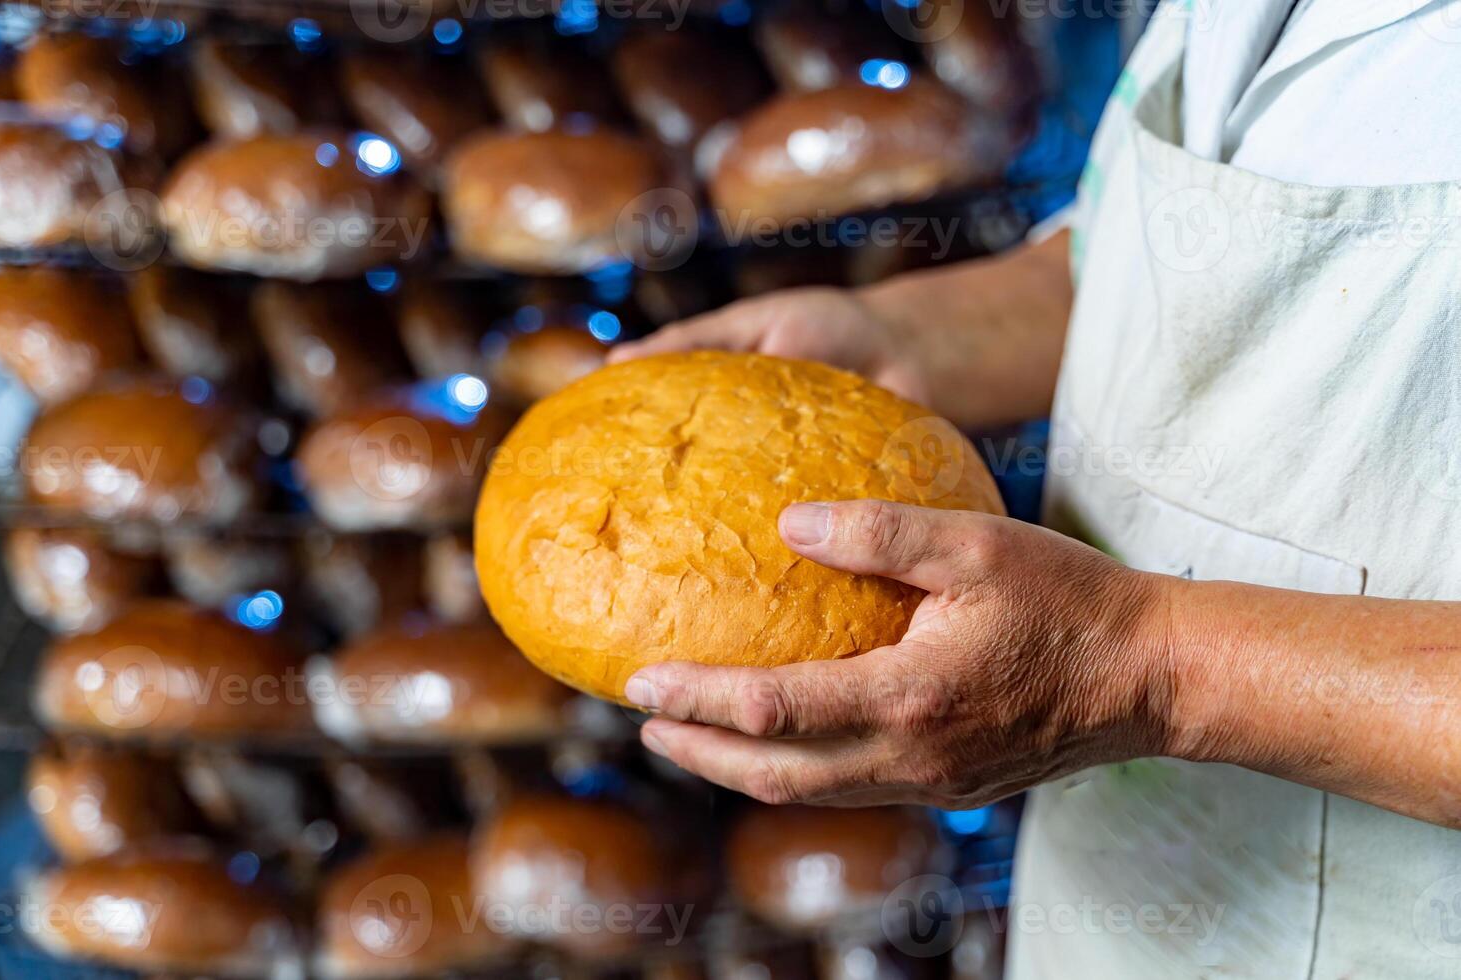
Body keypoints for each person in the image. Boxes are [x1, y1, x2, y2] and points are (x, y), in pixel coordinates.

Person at [608, 1, 1461, 977]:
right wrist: (897, 338)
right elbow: (1168, 257)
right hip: (1118, 899)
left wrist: (1154, 667)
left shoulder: (1131, 673)